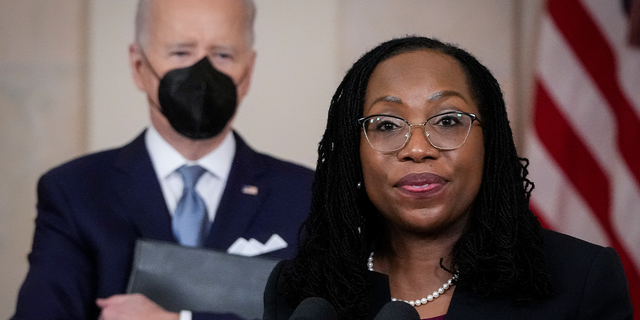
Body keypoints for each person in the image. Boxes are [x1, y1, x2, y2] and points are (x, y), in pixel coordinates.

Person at [263, 36, 633, 320]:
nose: (418, 148)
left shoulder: (580, 280)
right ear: (351, 152)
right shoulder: (302, 289)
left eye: (448, 120)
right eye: (387, 124)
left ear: (491, 143)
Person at [12, 0, 313, 319]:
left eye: (222, 54)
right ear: (139, 66)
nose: (202, 73)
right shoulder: (74, 191)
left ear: (248, 72)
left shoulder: (306, 195)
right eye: (181, 52)